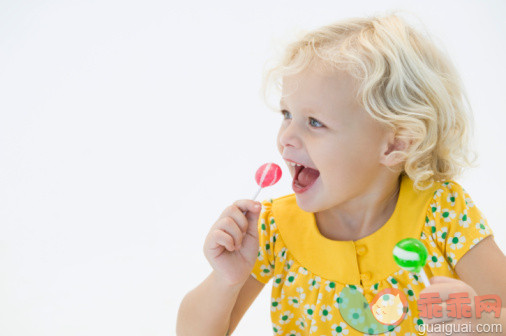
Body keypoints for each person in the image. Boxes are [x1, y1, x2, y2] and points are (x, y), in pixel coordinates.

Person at [176, 11, 506, 335]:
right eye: (287, 114)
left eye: (315, 122)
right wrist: (225, 280)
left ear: (394, 145)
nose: (286, 137)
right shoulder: (273, 228)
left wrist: (479, 321)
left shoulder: (442, 213)